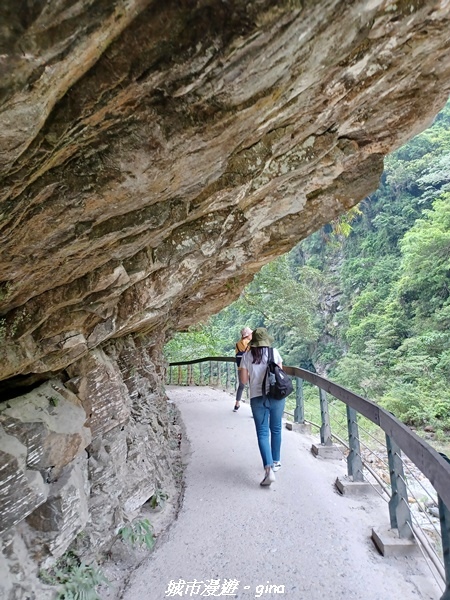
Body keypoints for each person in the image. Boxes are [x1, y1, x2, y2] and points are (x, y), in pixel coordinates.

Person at [240, 327, 284, 486]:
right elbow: (280, 374)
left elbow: (244, 380)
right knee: (276, 428)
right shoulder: (274, 353)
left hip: (257, 398)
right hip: (276, 396)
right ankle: (277, 461)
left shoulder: (246, 356)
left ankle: (268, 468)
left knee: (263, 433)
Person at [233, 327, 252, 412]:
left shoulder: (237, 344)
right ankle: (253, 407)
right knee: (253, 387)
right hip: (250, 368)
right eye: (251, 333)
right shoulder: (249, 344)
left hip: (240, 367)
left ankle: (237, 403)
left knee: (241, 386)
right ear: (247, 335)